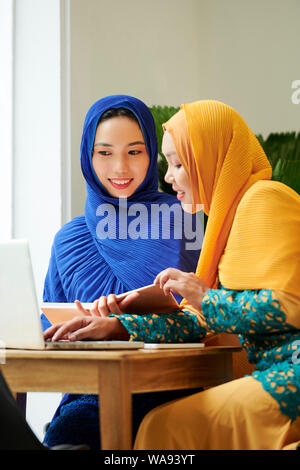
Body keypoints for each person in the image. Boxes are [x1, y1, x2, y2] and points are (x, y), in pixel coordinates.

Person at [48, 99, 300, 450]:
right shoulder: (223, 227)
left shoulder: (263, 199)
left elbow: (286, 306)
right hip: (265, 371)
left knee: (161, 426)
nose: (168, 176)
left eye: (180, 163)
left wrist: (202, 296)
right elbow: (199, 320)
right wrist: (122, 325)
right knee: (98, 426)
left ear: (212, 160)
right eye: (104, 153)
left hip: (287, 369)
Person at [42, 95, 202, 450]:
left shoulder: (182, 215)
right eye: (104, 153)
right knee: (70, 428)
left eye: (134, 152)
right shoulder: (68, 239)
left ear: (151, 154)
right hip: (90, 388)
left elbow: (204, 313)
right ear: (88, 155)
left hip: (167, 382)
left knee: (75, 430)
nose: (120, 168)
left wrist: (120, 325)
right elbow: (48, 330)